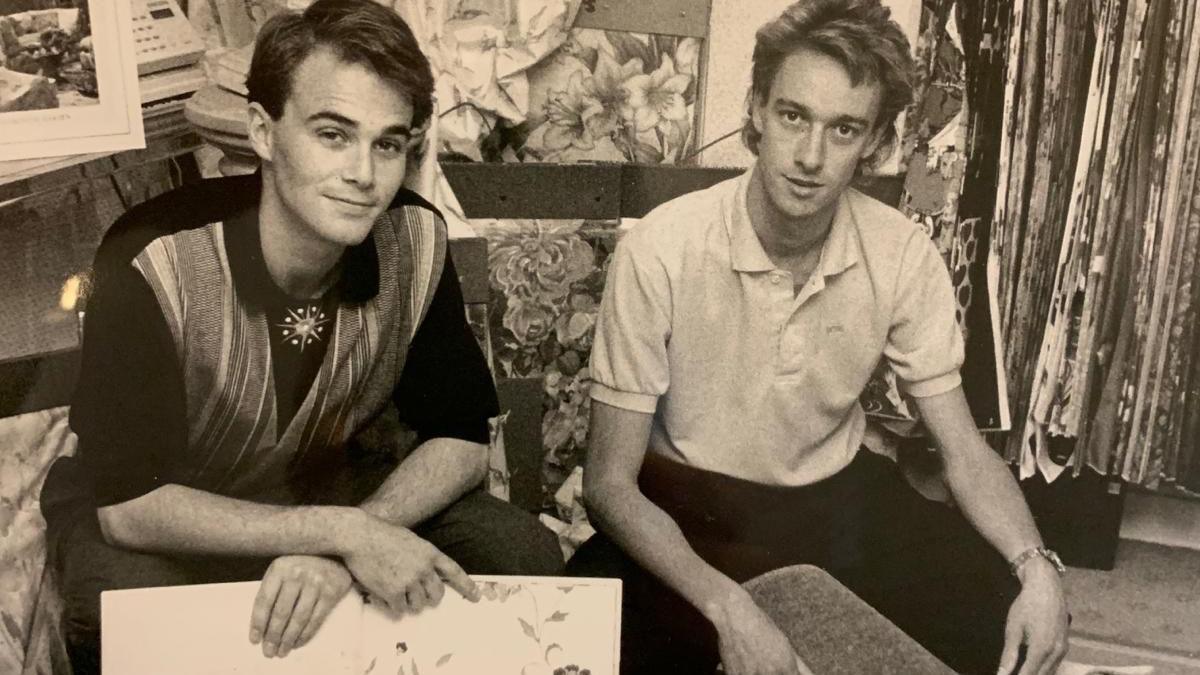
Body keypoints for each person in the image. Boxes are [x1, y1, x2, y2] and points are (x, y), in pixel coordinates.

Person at [39, 1, 562, 672]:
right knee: (127, 604)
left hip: (332, 482)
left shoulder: (415, 237)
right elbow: (128, 507)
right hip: (176, 512)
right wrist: (343, 535)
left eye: (389, 143)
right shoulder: (150, 258)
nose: (364, 175)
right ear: (264, 130)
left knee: (524, 554)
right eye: (333, 134)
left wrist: (349, 535)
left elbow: (460, 438)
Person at [566, 1, 1069, 673]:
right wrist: (728, 608)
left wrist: (1038, 568)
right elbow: (608, 484)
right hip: (685, 506)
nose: (809, 156)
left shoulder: (901, 252)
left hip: (833, 504)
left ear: (876, 143)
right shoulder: (662, 245)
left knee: (1006, 616)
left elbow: (964, 451)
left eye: (843, 129)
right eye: (793, 115)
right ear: (755, 110)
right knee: (593, 635)